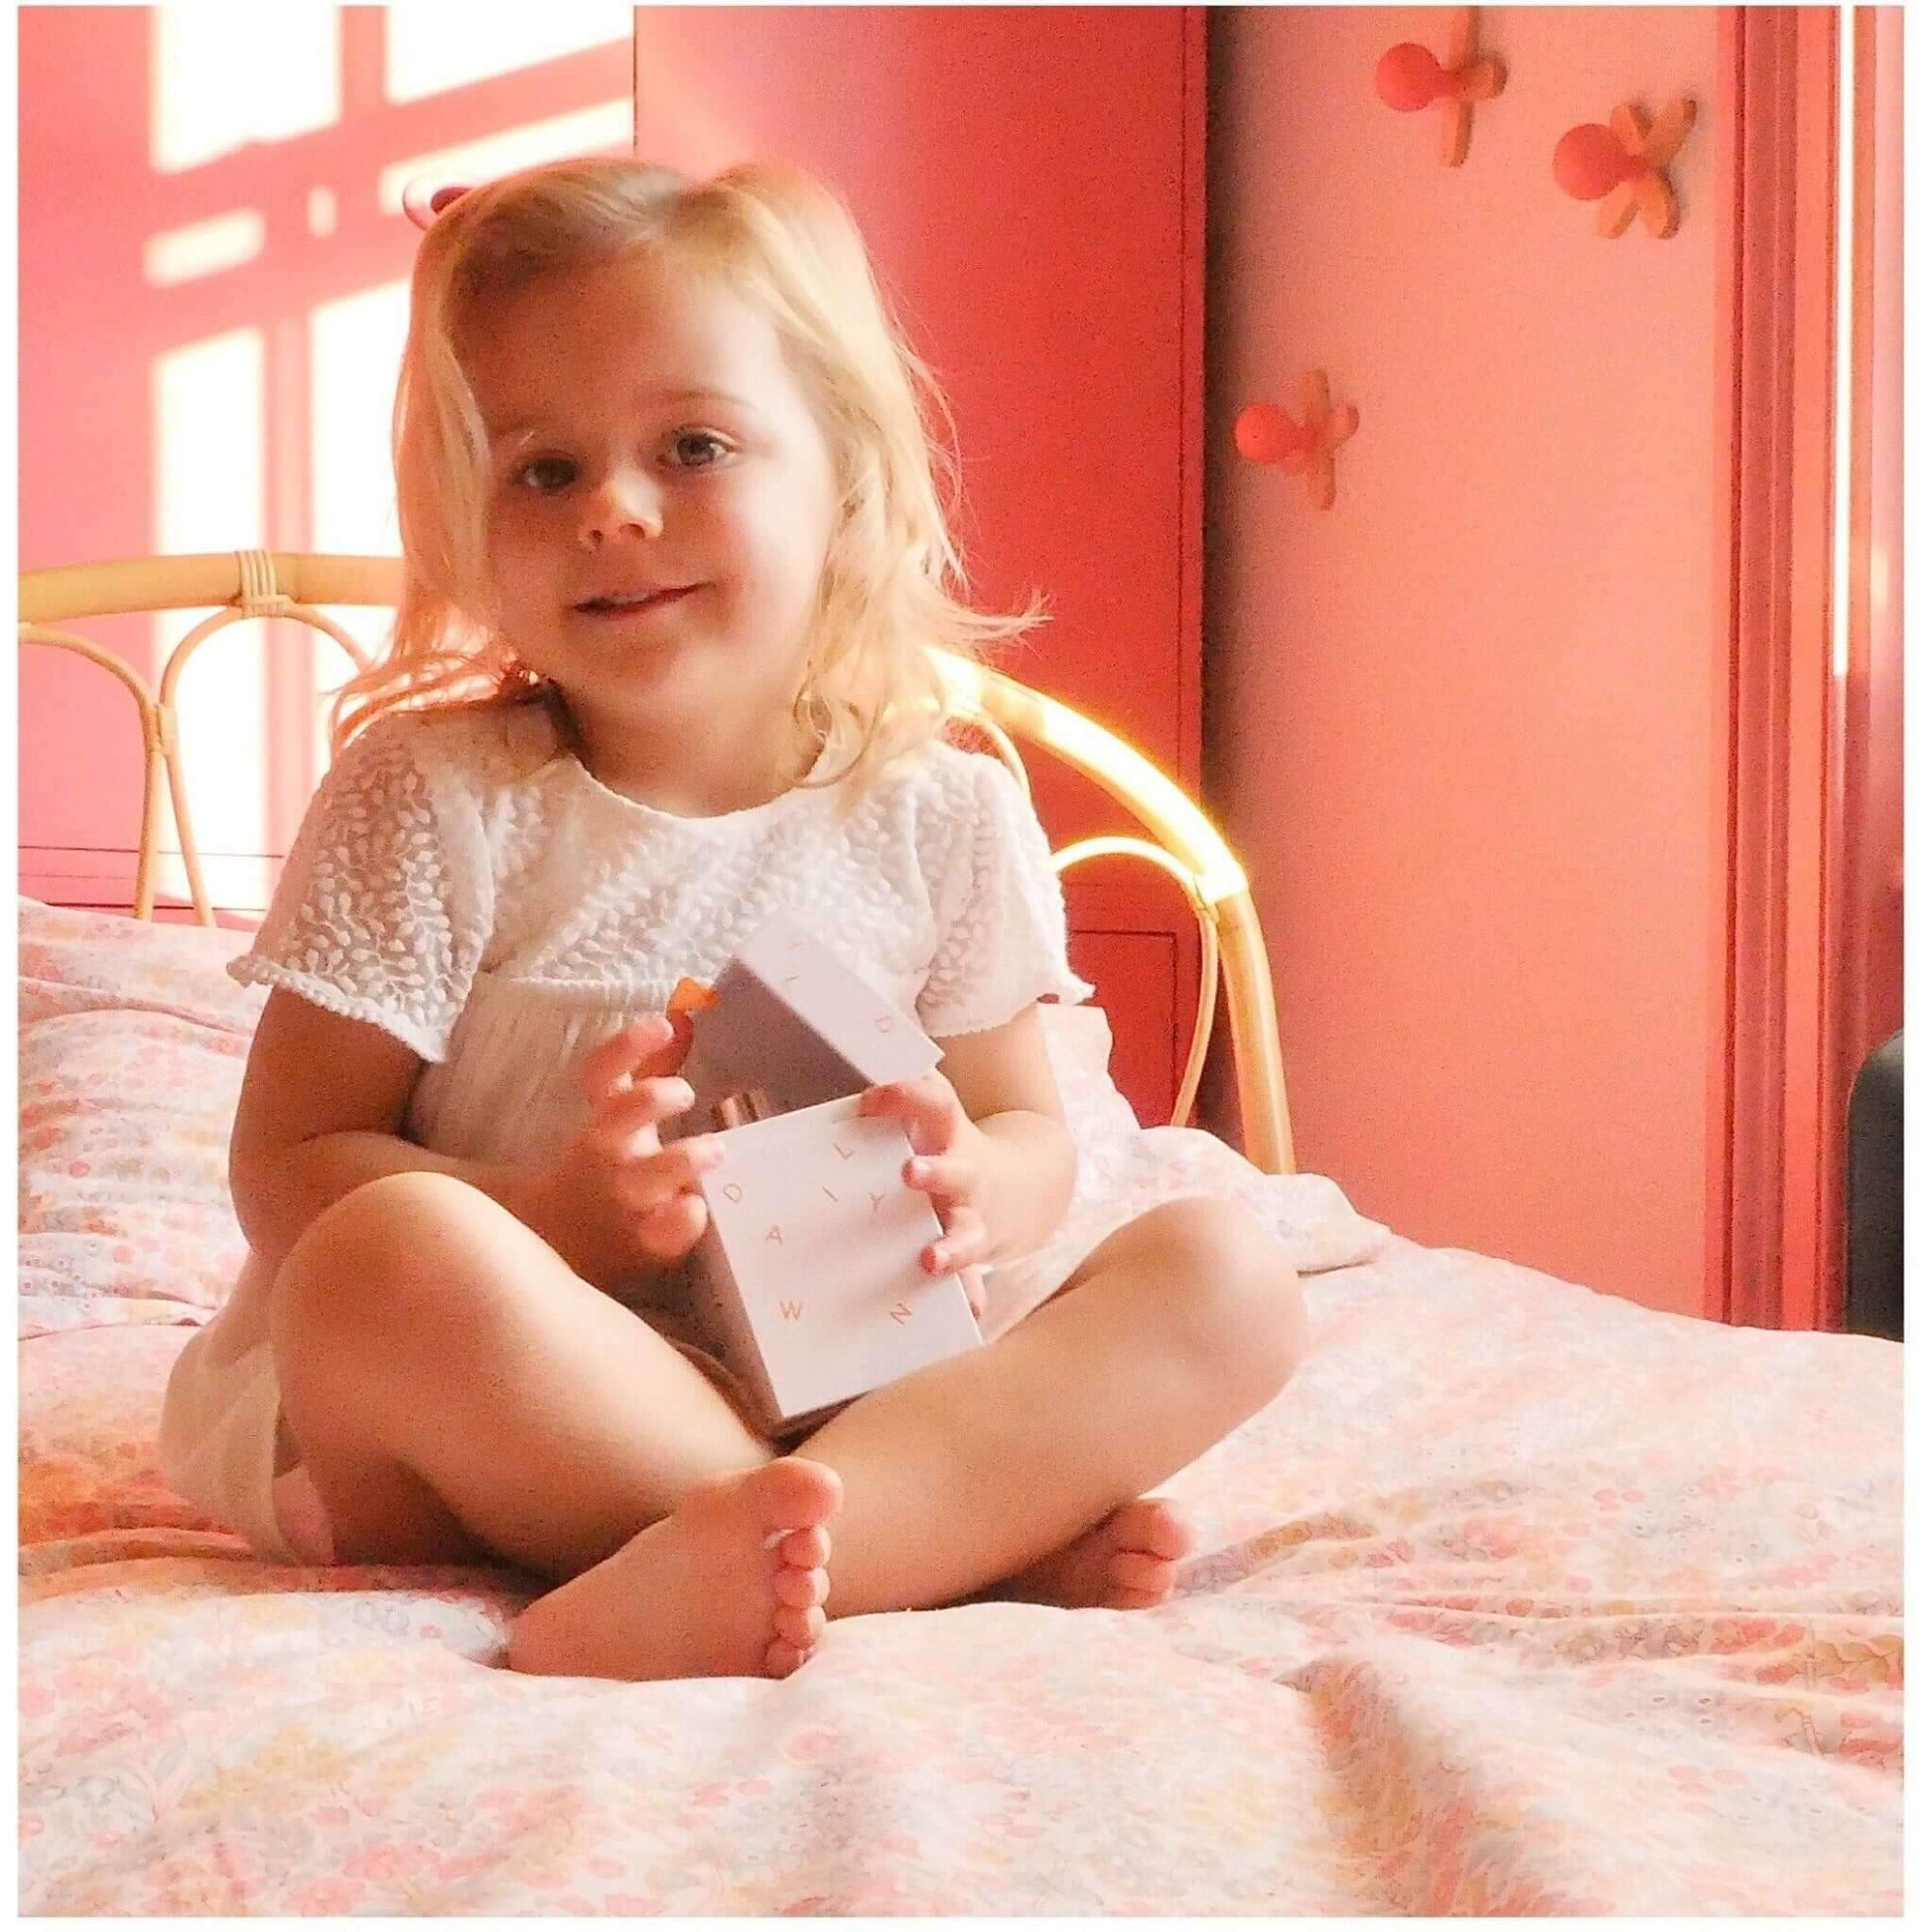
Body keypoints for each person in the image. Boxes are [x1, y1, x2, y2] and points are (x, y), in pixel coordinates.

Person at [158, 156, 1308, 1684]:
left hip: (852, 1383)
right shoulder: (433, 796)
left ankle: (769, 1545)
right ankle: (922, 1543)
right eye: (540, 469)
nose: (615, 512)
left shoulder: (939, 809)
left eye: (691, 445)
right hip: (489, 1407)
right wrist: (557, 1213)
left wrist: (977, 1181)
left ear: (841, 481)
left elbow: (1033, 1136)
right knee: (385, 1250)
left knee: (1229, 1273)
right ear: (463, 515)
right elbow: (288, 1168)